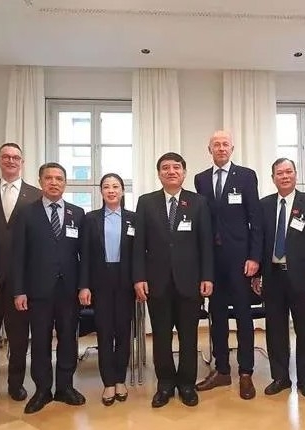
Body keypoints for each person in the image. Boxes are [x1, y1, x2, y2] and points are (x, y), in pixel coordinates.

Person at [132, 152, 214, 408]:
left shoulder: (198, 202)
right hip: (157, 283)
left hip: (190, 282)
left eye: (176, 167)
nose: (171, 171)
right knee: (161, 337)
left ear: (184, 172)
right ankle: (165, 383)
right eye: (165, 168)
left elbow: (206, 244)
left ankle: (187, 384)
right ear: (159, 174)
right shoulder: (146, 202)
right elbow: (138, 245)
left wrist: (207, 276)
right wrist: (139, 278)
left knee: (189, 336)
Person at [194, 130, 263, 400]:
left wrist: (255, 257)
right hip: (213, 261)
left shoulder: (246, 176)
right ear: (209, 149)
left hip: (240, 260)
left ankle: (246, 372)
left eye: (225, 144)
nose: (221, 148)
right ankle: (222, 369)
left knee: (244, 317)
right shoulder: (200, 180)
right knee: (217, 317)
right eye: (216, 145)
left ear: (232, 148)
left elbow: (255, 219)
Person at [12, 162, 86, 414]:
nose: (54, 182)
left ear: (65, 183)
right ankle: (42, 389)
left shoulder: (78, 213)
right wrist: (19, 290)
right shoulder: (26, 212)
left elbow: (84, 255)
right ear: (41, 181)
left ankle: (65, 386)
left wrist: (84, 285)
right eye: (49, 178)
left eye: (59, 178)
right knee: (41, 340)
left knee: (68, 339)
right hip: (37, 290)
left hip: (69, 289)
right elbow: (18, 255)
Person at [252, 158, 305, 398]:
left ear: (295, 174)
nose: (284, 176)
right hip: (272, 278)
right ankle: (280, 377)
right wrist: (258, 274)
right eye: (279, 173)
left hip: (303, 279)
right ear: (272, 177)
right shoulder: (264, 205)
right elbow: (259, 242)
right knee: (275, 331)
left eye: (289, 172)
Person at [0, 143, 41, 402]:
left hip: (22, 281)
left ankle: (16, 383)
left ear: (22, 162)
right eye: (6, 157)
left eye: (16, 157)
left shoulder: (36, 195)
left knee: (18, 337)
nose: (11, 161)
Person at [78, 173, 136, 405]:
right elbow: (83, 256)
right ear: (101, 192)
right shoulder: (90, 219)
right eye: (106, 187)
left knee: (123, 332)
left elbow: (140, 254)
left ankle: (121, 379)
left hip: (126, 282)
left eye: (115, 186)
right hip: (100, 283)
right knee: (104, 332)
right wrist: (84, 285)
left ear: (122, 191)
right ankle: (108, 383)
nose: (111, 190)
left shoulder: (134, 219)